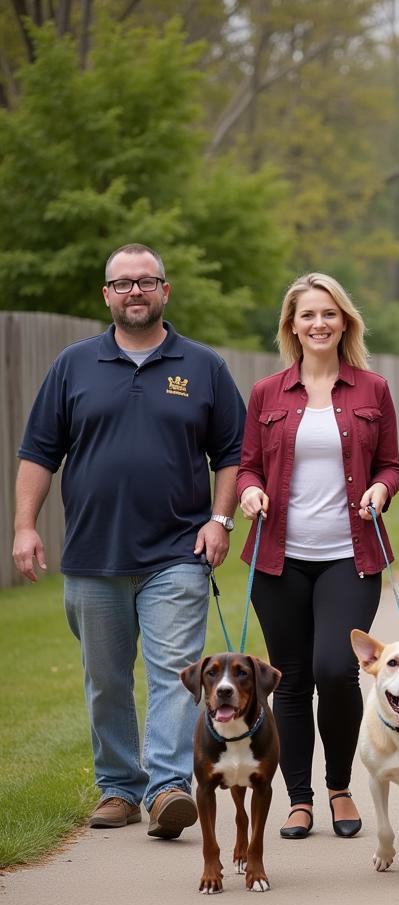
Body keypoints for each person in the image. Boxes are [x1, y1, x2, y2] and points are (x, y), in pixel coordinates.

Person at [12, 242, 246, 838]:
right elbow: (39, 451)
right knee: (106, 677)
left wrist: (219, 521)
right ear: (107, 295)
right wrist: (24, 526)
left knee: (173, 672)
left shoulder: (203, 366)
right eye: (123, 283)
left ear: (165, 291)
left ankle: (167, 787)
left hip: (177, 553)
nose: (135, 291)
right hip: (93, 555)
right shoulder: (73, 365)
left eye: (147, 281)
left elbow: (233, 455)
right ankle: (118, 787)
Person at [236, 272, 399, 840]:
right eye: (308, 315)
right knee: (289, 679)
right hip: (278, 557)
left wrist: (381, 490)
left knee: (336, 669)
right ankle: (300, 799)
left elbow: (391, 465)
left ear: (344, 322)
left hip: (348, 555)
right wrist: (248, 492)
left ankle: (339, 787)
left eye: (329, 314)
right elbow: (249, 464)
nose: (319, 324)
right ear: (292, 325)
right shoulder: (267, 393)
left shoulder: (371, 389)